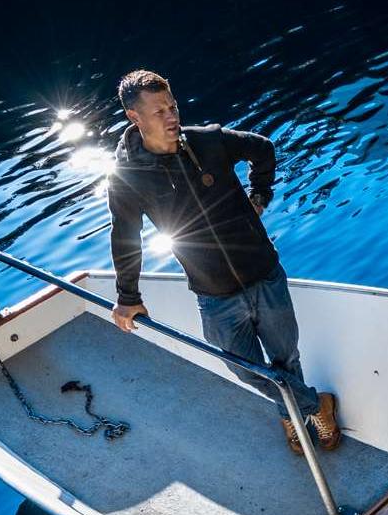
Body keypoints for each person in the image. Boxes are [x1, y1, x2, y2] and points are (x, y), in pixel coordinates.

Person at [106, 68, 339, 455]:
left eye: (173, 105)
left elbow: (262, 148)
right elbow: (125, 236)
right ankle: (315, 405)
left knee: (286, 358)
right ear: (135, 118)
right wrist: (127, 294)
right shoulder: (128, 177)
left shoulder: (208, 142)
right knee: (245, 369)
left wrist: (260, 196)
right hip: (215, 296)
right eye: (160, 111)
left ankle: (292, 417)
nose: (172, 116)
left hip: (264, 275)